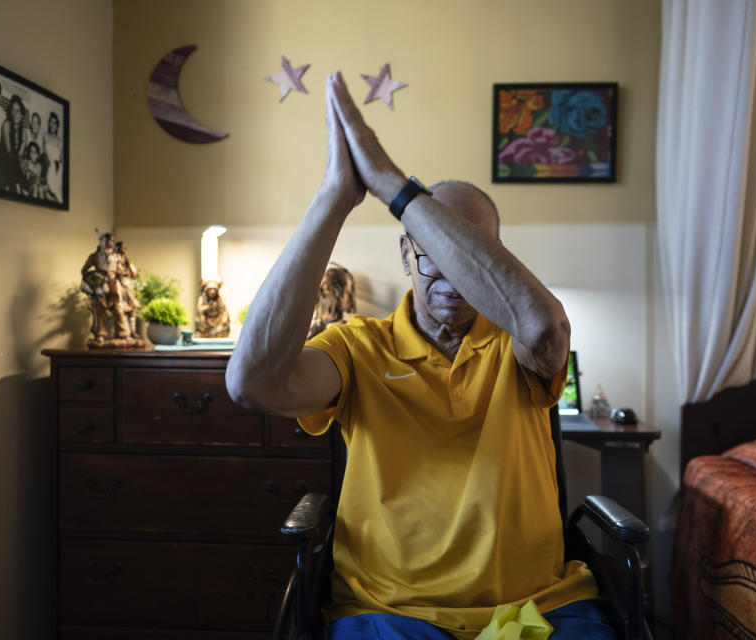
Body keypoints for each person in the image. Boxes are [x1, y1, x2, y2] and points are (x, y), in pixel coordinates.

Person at [226, 72, 612, 640]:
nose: (450, 271)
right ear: (407, 251)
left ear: (491, 261)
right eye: (433, 247)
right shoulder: (358, 345)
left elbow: (543, 325)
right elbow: (252, 383)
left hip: (539, 606)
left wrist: (391, 185)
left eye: (467, 252)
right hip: (389, 613)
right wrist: (336, 196)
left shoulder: (521, 344)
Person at [42, 111, 63, 202]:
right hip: (49, 165)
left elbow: (61, 159)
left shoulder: (60, 142)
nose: (52, 125)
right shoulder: (45, 136)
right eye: (50, 122)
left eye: (54, 123)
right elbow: (44, 154)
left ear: (57, 125)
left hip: (58, 168)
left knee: (58, 192)